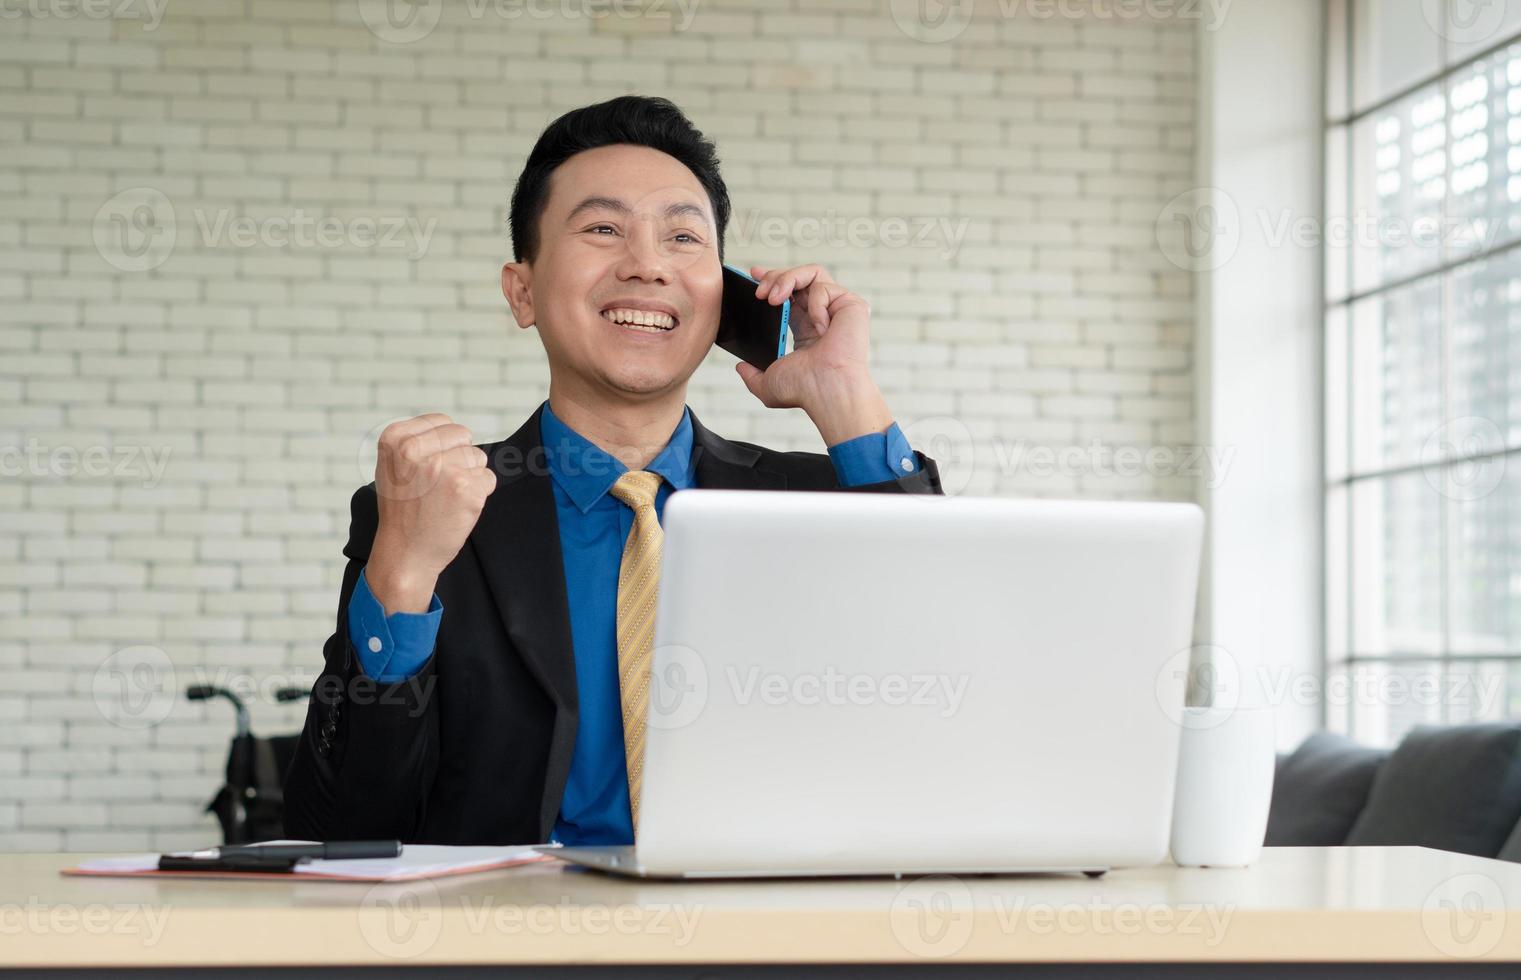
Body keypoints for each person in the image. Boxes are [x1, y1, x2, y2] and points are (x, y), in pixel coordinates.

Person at [283, 95, 943, 845]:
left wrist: (846, 399)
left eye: (683, 238)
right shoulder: (427, 506)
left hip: (763, 936)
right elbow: (339, 830)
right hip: (517, 943)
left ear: (723, 294)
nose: (646, 265)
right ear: (522, 290)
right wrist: (400, 578)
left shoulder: (818, 503)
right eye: (602, 229)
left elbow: (950, 693)